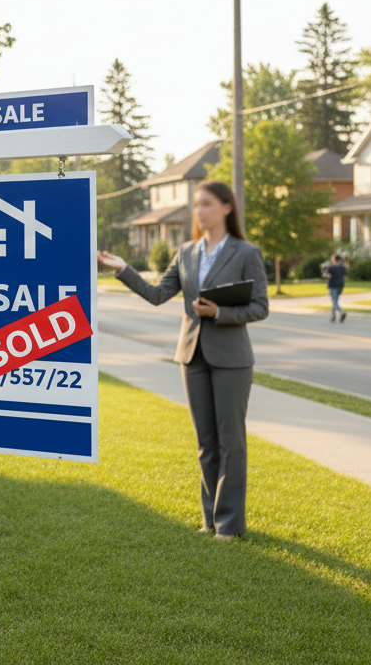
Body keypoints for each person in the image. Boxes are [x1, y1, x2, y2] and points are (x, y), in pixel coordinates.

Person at [97, 181, 268, 540]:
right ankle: (210, 520)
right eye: (196, 205)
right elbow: (159, 294)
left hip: (232, 359)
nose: (199, 211)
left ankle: (230, 525)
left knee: (230, 442)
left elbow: (260, 307)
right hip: (192, 355)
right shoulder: (187, 251)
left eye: (206, 204)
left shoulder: (245, 252)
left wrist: (219, 311)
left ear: (226, 207)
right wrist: (123, 267)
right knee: (205, 442)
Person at [324, 254, 347, 323]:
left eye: (332, 258)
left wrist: (326, 274)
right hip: (340, 285)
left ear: (334, 259)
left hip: (333, 285)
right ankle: (333, 316)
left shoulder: (330, 267)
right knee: (335, 300)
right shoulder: (342, 267)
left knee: (334, 301)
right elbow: (344, 274)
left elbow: (327, 275)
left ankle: (341, 312)